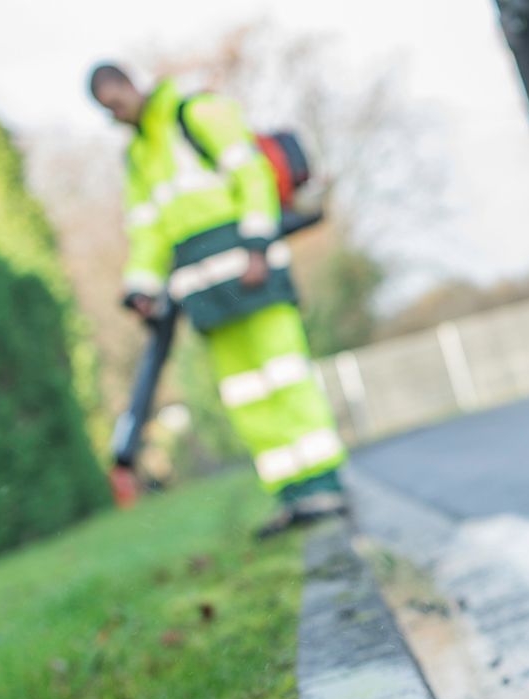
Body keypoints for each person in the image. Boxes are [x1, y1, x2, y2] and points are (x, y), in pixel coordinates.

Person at [89, 62, 345, 536]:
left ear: (129, 85)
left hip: (253, 271)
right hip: (202, 292)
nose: (117, 114)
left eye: (116, 102)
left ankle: (325, 484)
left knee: (286, 375)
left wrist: (257, 245)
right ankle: (291, 494)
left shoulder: (195, 113)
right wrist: (140, 284)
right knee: (245, 393)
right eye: (107, 111)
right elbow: (145, 229)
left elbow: (251, 176)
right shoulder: (138, 157)